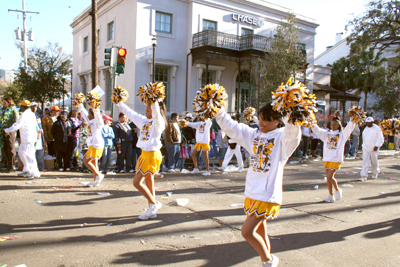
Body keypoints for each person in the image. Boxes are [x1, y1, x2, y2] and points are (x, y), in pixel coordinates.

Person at [216, 103, 301, 267]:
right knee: (261, 230)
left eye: (266, 120)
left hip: (267, 194)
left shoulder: (282, 138)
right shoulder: (254, 135)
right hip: (252, 191)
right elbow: (234, 128)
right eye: (260, 119)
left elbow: (293, 132)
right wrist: (218, 110)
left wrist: (291, 110)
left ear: (277, 121)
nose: (260, 123)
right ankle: (268, 259)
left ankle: (268, 260)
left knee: (247, 232)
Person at [117, 100, 167, 220]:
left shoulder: (158, 123)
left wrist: (154, 100)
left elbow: (156, 113)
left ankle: (154, 203)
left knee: (136, 182)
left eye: (148, 110)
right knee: (149, 182)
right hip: (144, 154)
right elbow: (131, 113)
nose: (146, 112)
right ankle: (151, 209)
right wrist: (119, 103)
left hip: (152, 154)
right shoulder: (144, 121)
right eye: (146, 110)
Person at [312, 116, 355, 202]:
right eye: (331, 124)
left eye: (335, 125)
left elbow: (349, 128)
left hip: (336, 159)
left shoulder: (342, 135)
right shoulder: (327, 133)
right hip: (327, 158)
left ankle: (338, 189)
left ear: (338, 125)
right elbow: (318, 130)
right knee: (328, 178)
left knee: (330, 176)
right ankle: (330, 195)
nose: (333, 126)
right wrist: (311, 122)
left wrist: (353, 119)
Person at [4, 100, 40, 178]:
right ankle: (26, 169)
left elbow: (17, 125)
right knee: (21, 152)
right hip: (28, 137)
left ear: (23, 107)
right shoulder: (31, 114)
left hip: (28, 138)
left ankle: (34, 172)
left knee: (29, 155)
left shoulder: (24, 115)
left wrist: (7, 130)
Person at [78, 103, 105, 186]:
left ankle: (98, 175)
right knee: (94, 162)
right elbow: (83, 112)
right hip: (92, 145)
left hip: (96, 145)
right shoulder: (90, 121)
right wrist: (79, 103)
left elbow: (97, 115)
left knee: (86, 161)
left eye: (90, 114)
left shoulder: (98, 122)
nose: (88, 115)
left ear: (93, 115)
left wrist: (95, 106)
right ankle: (95, 181)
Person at [359, 117, 384, 181]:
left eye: (369, 123)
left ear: (372, 122)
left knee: (374, 161)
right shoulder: (365, 129)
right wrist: (363, 146)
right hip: (366, 148)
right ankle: (364, 175)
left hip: (373, 148)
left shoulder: (377, 129)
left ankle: (375, 172)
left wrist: (377, 145)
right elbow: (364, 138)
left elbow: (380, 138)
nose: (368, 124)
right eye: (367, 123)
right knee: (365, 162)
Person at [0, 97, 20, 172]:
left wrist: (9, 130)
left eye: (5, 102)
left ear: (9, 103)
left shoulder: (13, 110)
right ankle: (5, 163)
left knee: (10, 148)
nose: (3, 104)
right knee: (4, 148)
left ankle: (12, 165)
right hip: (2, 131)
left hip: (10, 131)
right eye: (3, 102)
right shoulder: (2, 110)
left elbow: (16, 122)